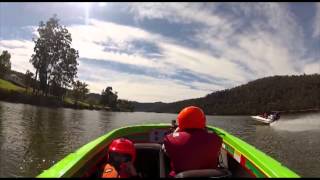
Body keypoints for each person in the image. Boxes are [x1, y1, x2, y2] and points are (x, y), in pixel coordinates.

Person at [162, 106, 223, 177]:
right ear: (203, 121)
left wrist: (176, 131)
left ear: (180, 121)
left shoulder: (169, 139)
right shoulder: (216, 139)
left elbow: (164, 149)